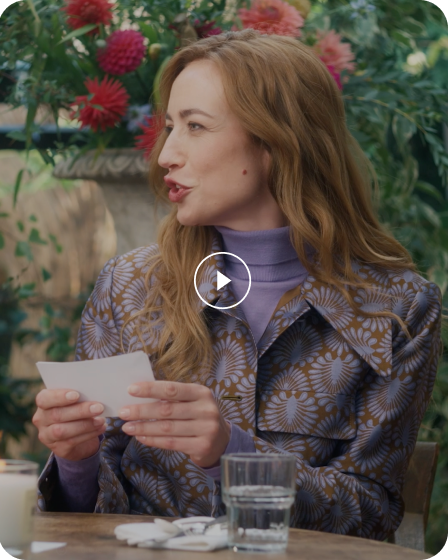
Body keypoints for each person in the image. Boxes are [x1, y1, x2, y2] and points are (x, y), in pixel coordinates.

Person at [33, 29, 442, 540]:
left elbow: (373, 514)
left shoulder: (400, 308)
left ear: (276, 141)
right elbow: (94, 519)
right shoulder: (129, 285)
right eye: (169, 127)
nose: (166, 155)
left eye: (195, 126)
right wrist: (75, 460)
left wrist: (234, 455)